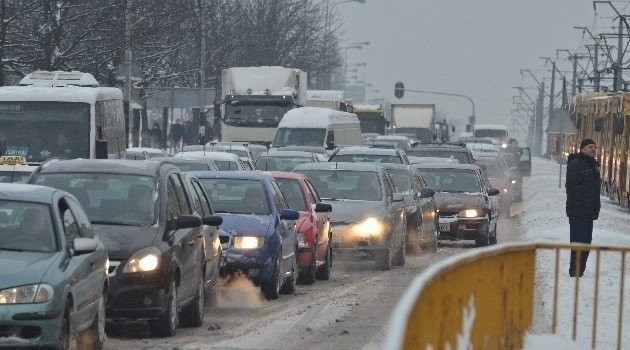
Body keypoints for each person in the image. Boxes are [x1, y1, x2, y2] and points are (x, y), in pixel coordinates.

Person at [565, 138, 601, 277]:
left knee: (586, 244)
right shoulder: (577, 164)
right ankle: (575, 272)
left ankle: (579, 272)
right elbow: (572, 188)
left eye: (594, 147)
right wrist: (581, 205)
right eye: (590, 147)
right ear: (583, 149)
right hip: (578, 212)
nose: (593, 149)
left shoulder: (592, 165)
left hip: (588, 213)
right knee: (579, 243)